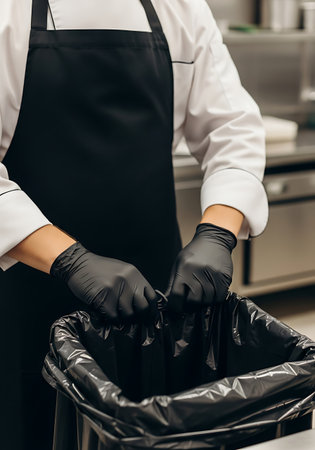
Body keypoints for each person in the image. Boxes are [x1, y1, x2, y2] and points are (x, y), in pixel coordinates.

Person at [0, 0, 268, 448]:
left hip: (158, 291)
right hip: (30, 284)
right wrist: (69, 260)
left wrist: (218, 231)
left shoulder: (178, 7)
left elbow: (233, 129)